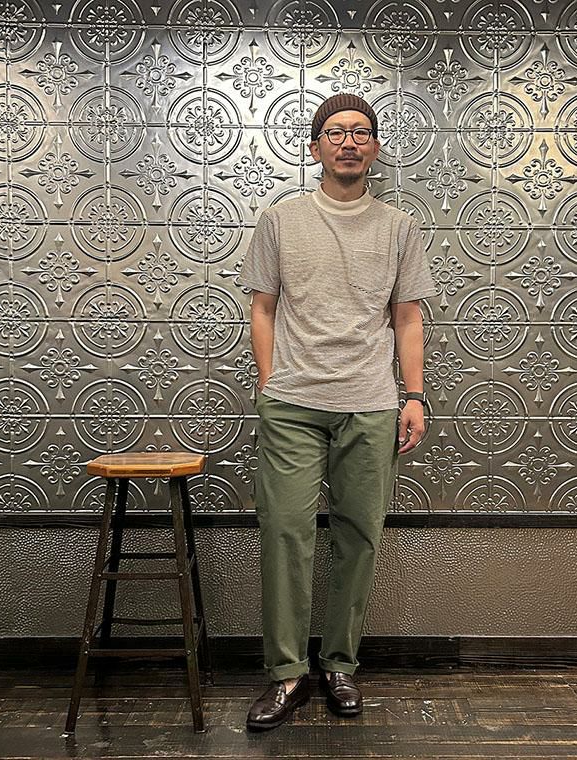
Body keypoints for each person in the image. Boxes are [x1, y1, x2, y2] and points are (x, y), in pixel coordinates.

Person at [239, 93, 437, 730]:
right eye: (335, 132)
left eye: (360, 132)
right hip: (292, 404)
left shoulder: (399, 226)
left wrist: (414, 395)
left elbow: (407, 317)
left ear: (374, 148)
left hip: (371, 404)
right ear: (315, 146)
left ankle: (340, 663)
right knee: (285, 534)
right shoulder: (281, 220)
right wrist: (269, 385)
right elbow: (262, 307)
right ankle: (286, 673)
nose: (348, 141)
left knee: (359, 536)